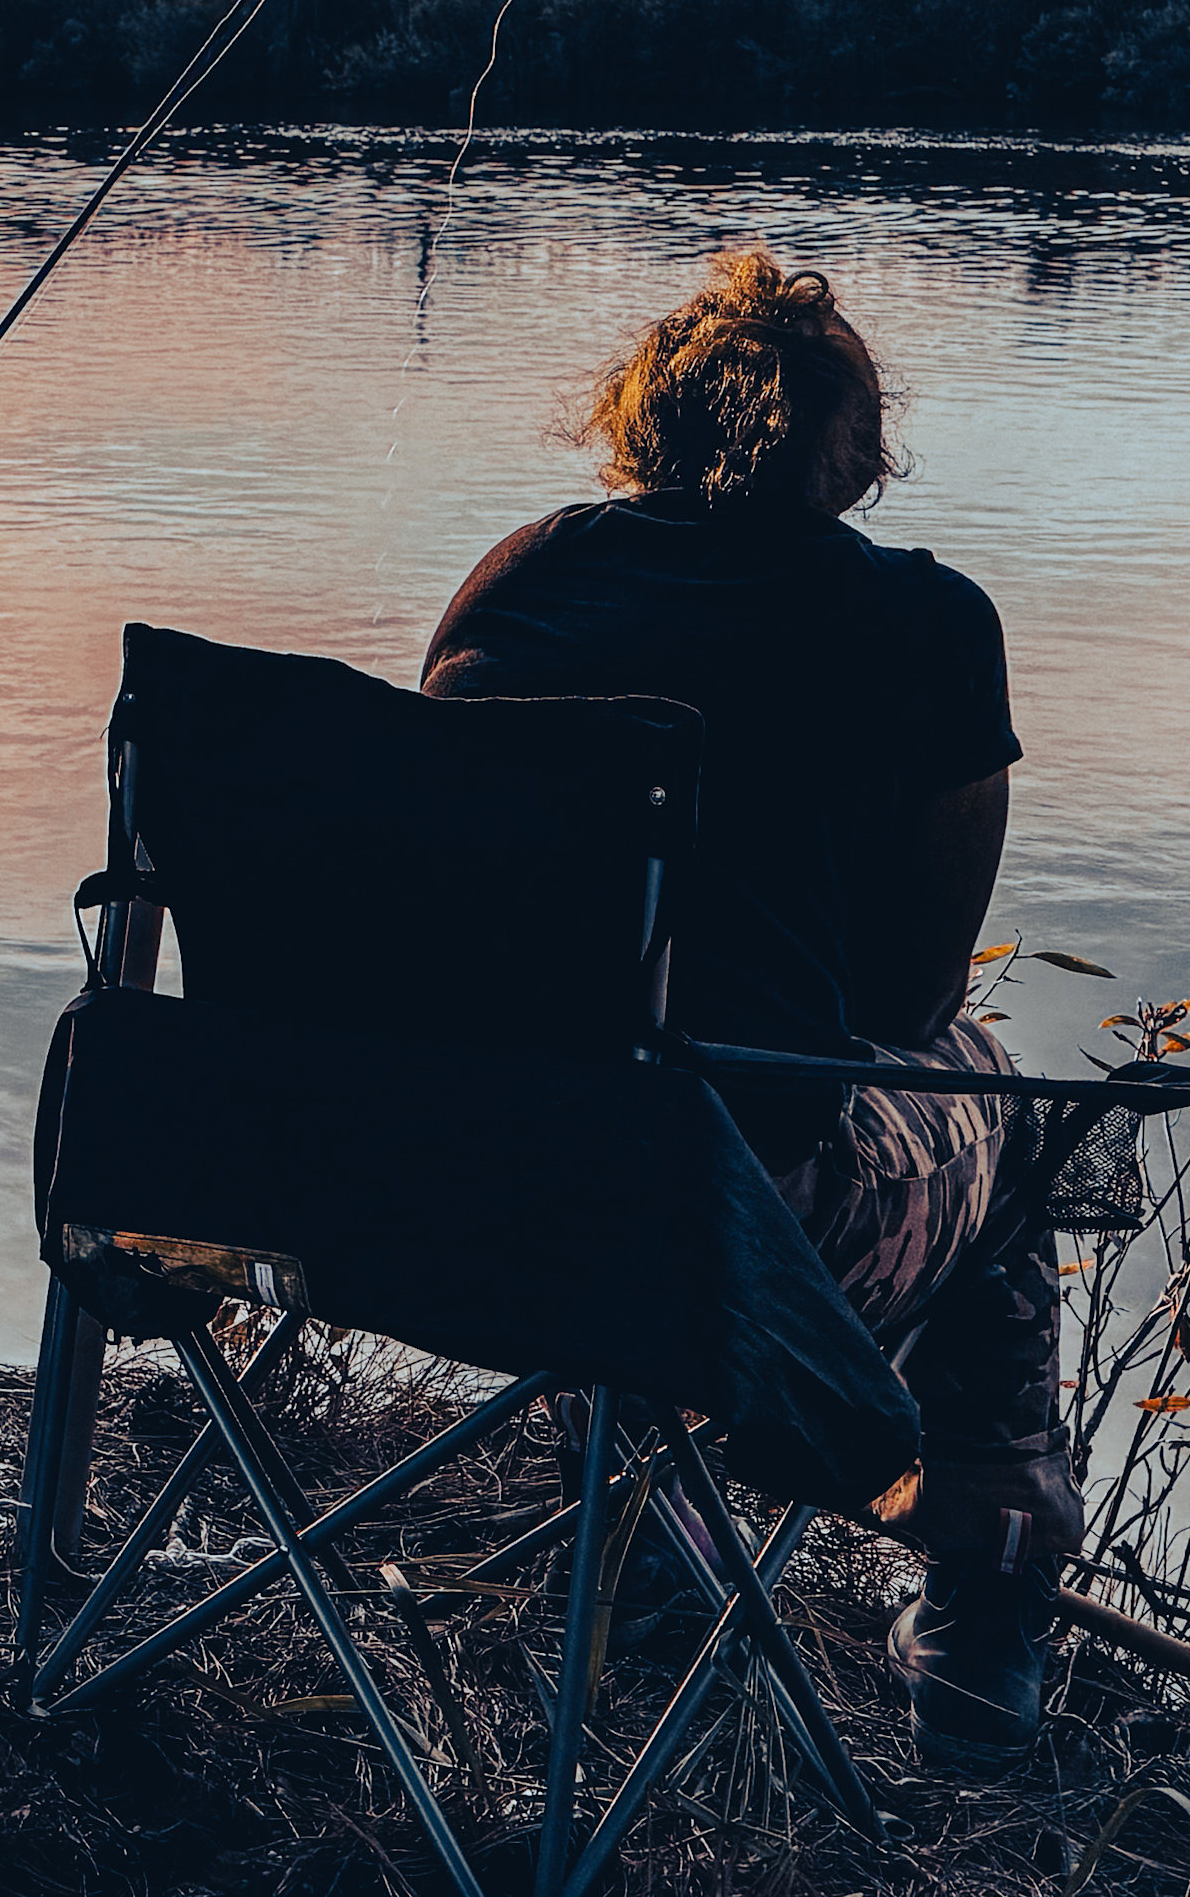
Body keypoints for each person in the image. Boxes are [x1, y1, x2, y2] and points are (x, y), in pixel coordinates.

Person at [418, 245, 1062, 1775]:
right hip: (724, 1221)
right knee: (1011, 1110)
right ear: (855, 443)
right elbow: (913, 996)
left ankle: (644, 1506)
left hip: (446, 1185)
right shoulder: (925, 626)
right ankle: (981, 1622)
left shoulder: (529, 573)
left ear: (644, 415)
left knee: (626, 1082)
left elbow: (437, 888)